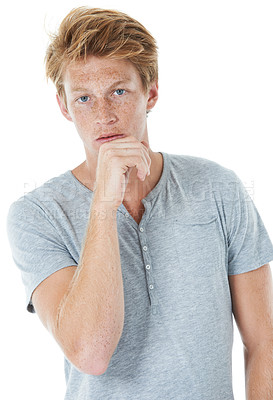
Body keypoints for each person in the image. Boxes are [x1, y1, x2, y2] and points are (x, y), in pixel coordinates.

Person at [7, 6, 273, 400]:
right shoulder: (36, 215)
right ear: (64, 107)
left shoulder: (219, 189)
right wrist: (103, 206)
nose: (103, 116)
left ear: (150, 92)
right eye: (83, 98)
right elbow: (90, 353)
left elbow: (265, 343)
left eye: (118, 91)